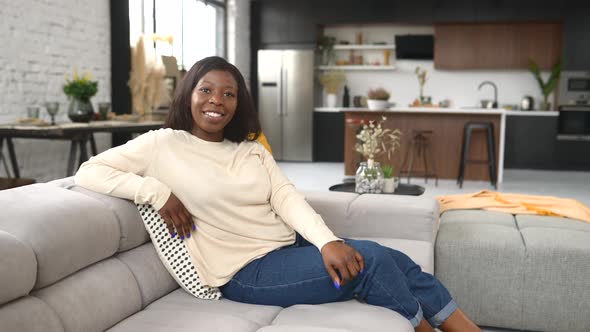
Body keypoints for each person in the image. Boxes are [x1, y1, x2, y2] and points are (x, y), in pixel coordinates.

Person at [75, 56, 480, 332]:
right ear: (188, 94)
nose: (217, 101)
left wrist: (327, 241)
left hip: (287, 247)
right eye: (206, 90)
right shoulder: (162, 145)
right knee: (370, 262)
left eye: (229, 93)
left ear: (239, 102)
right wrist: (155, 191)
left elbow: (286, 198)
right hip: (245, 272)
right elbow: (89, 170)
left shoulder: (249, 149)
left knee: (394, 257)